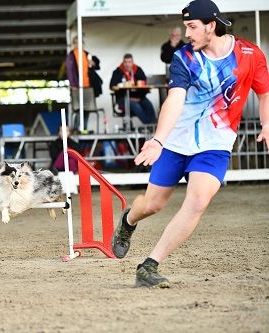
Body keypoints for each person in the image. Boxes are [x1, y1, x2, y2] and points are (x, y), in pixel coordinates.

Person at [111, 0, 269, 288]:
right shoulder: (184, 58)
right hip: (176, 141)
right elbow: (175, 98)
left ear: (212, 26)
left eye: (192, 27)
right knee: (152, 205)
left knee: (197, 202)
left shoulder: (250, 54)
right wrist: (158, 140)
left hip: (216, 143)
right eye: (186, 27)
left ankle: (149, 265)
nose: (188, 34)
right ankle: (128, 222)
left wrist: (267, 123)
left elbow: (264, 92)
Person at [110, 53, 156, 125]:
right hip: (123, 98)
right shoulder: (117, 72)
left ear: (132, 62)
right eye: (125, 62)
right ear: (123, 62)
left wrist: (139, 97)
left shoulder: (138, 70)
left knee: (149, 105)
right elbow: (112, 86)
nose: (127, 64)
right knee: (136, 106)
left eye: (129, 62)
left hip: (138, 97)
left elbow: (144, 84)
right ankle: (148, 124)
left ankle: (154, 127)